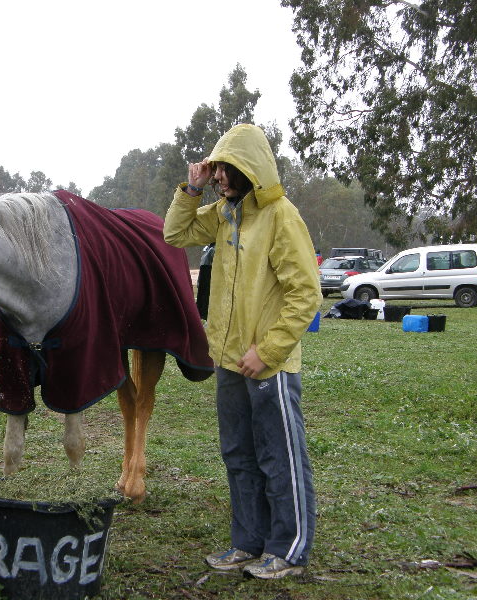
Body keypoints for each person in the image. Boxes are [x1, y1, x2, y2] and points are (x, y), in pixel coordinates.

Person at [163, 124, 321, 580]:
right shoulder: (222, 214)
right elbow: (176, 233)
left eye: (227, 171)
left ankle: (287, 548)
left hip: (267, 365)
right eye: (216, 172)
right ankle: (247, 543)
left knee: (279, 455)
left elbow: (305, 293)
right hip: (229, 360)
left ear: (251, 169)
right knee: (238, 454)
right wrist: (190, 190)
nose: (219, 179)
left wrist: (268, 351)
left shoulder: (281, 216)